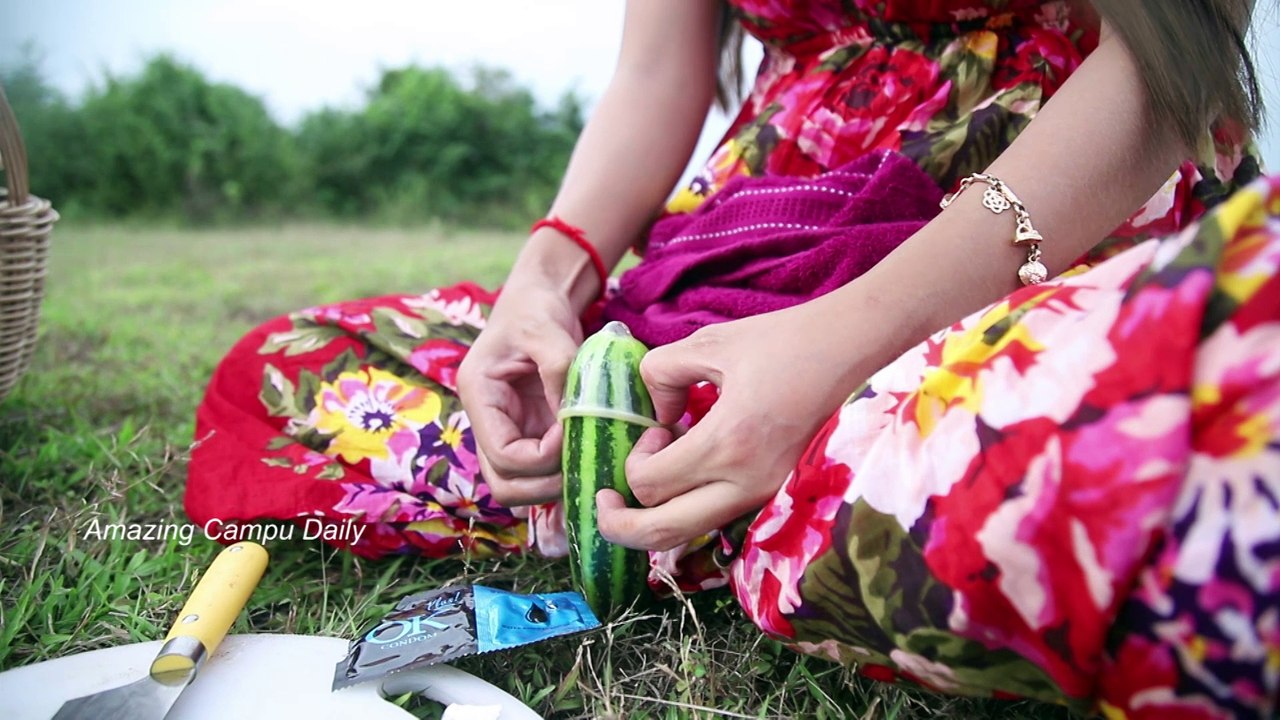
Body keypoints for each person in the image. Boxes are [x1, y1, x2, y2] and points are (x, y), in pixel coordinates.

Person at [186, 0, 1278, 716]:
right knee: (294, 362)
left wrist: (841, 346)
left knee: (1137, 458)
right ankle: (734, 508)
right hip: (728, 265)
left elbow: (1163, 66)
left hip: (1022, 245)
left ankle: (784, 494)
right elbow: (659, 70)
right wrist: (544, 285)